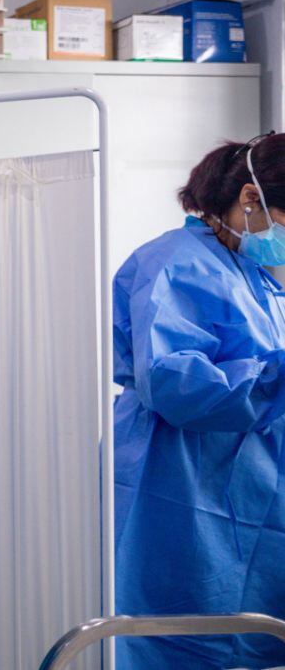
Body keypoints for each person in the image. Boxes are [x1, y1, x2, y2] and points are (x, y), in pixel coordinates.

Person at [113, 131, 285, 668]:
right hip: (180, 484)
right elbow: (175, 385)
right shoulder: (171, 263)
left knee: (256, 636)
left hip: (254, 487)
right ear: (251, 198)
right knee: (185, 633)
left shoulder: (258, 276)